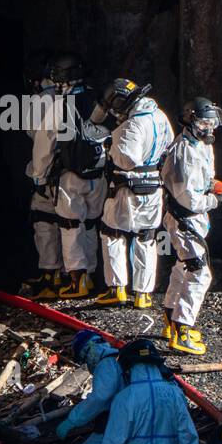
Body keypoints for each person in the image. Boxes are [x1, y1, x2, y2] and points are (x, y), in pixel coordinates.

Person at [161, 97, 222, 355]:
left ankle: (171, 319)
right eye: (204, 123)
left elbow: (204, 180)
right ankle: (182, 329)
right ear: (191, 121)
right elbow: (188, 198)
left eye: (212, 124)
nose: (209, 129)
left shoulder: (201, 146)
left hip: (195, 219)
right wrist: (217, 200)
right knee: (199, 272)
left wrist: (218, 188)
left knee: (183, 266)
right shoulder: (183, 152)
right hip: (184, 219)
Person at [94, 79, 174, 309]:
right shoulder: (160, 117)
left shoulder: (132, 126)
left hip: (126, 189)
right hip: (154, 188)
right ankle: (143, 294)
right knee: (146, 238)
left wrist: (110, 149)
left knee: (112, 234)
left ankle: (117, 289)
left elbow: (126, 160)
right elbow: (168, 148)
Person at [50, 52, 110, 299]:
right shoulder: (98, 98)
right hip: (98, 173)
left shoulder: (61, 105)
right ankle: (93, 275)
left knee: (71, 225)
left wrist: (39, 175)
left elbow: (46, 143)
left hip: (71, 175)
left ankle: (78, 279)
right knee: (90, 225)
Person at [20, 52, 64, 298]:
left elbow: (38, 137)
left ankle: (50, 273)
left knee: (44, 220)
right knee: (73, 226)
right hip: (75, 172)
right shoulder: (78, 95)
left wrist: (39, 177)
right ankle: (72, 275)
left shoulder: (42, 100)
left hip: (50, 170)